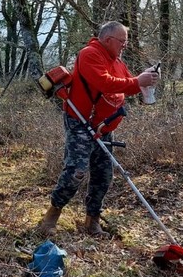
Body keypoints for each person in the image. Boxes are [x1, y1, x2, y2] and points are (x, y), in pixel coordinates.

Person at [38, 21, 159, 237]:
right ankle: (52, 215)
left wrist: (144, 81)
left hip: (103, 127)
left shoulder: (118, 63)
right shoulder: (89, 54)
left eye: (126, 41)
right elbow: (105, 83)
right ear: (107, 40)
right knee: (77, 171)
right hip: (80, 122)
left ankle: (92, 220)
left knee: (103, 175)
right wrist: (136, 82)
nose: (124, 45)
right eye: (122, 41)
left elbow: (124, 86)